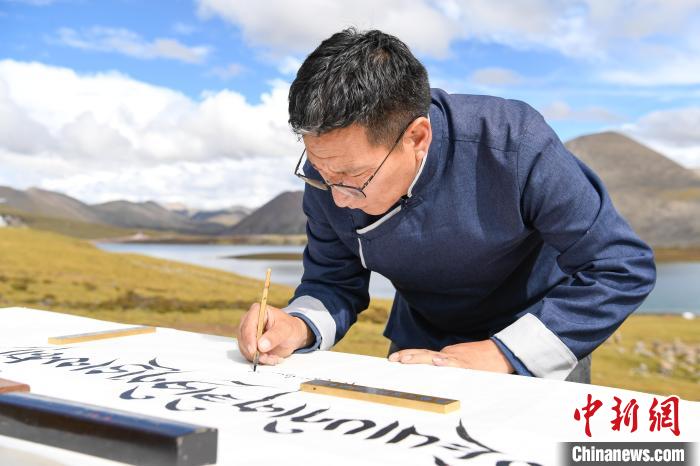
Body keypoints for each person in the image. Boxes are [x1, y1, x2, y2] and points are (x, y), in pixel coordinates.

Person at [237, 28, 656, 382]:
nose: (338, 197)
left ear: (417, 138)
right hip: (419, 348)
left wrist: (503, 353)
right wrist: (297, 324)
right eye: (321, 171)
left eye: (353, 177)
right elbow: (332, 282)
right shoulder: (331, 170)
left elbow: (619, 266)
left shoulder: (514, 144)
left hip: (537, 338)